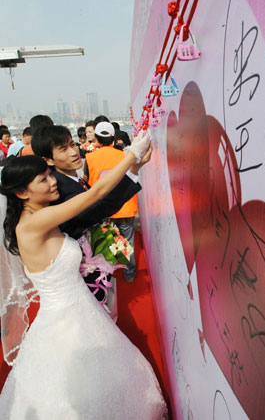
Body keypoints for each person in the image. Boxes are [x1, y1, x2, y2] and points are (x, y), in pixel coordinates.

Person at [0, 134, 167, 419]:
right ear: (21, 193)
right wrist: (129, 154)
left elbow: (94, 208)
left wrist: (134, 168)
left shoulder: (43, 213)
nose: (52, 182)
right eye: (42, 180)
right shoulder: (33, 223)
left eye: (48, 175)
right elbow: (94, 195)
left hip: (82, 309)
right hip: (65, 320)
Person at [31, 124, 146, 301]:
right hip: (83, 270)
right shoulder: (59, 188)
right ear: (48, 160)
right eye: (63, 149)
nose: (73, 151)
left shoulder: (70, 178)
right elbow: (99, 206)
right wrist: (133, 165)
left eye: (72, 144)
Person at [85, 122, 139, 282]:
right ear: (114, 138)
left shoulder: (89, 158)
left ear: (97, 139)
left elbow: (87, 182)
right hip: (125, 206)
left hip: (102, 208)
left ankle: (106, 274)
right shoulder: (124, 156)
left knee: (103, 241)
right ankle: (129, 275)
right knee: (127, 241)